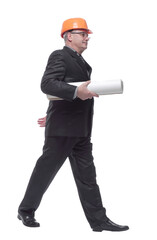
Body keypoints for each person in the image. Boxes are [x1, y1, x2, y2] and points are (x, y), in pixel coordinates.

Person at [18, 18, 129, 232]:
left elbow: (60, 89)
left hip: (81, 130)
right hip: (62, 131)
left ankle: (99, 221)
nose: (87, 38)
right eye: (83, 34)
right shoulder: (60, 55)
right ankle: (26, 210)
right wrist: (77, 92)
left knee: (88, 177)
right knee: (45, 172)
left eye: (87, 34)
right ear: (70, 36)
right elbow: (48, 84)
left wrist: (52, 112)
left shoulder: (81, 62)